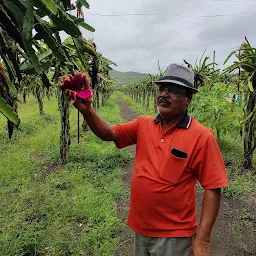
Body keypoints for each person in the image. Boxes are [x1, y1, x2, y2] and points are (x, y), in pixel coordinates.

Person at [66, 63, 228, 256]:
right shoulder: (143, 124)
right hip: (140, 229)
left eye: (174, 90)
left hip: (174, 236)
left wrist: (202, 240)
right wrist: (87, 110)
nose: (164, 94)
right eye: (162, 88)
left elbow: (213, 187)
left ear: (188, 99)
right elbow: (110, 133)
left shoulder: (202, 136)